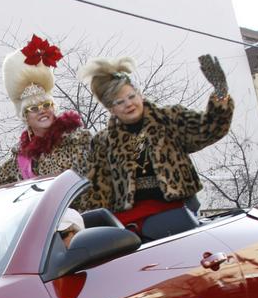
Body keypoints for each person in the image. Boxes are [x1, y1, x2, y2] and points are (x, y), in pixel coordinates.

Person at [78, 55, 234, 237]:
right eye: (120, 102)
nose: (129, 104)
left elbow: (209, 128)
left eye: (131, 96)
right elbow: (98, 191)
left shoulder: (169, 118)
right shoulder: (103, 142)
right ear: (111, 109)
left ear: (140, 94)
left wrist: (221, 93)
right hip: (133, 226)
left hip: (179, 214)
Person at [0, 34, 90, 191]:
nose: (41, 111)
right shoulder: (21, 155)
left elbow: (93, 181)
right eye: (33, 108)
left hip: (79, 214)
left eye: (45, 104)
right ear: (25, 116)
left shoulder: (76, 140)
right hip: (46, 215)